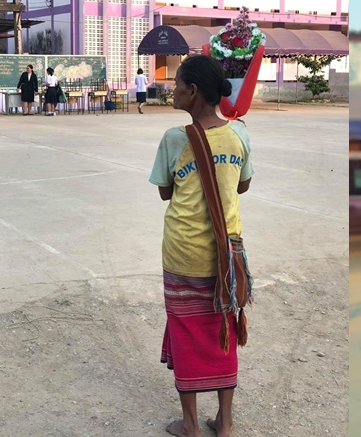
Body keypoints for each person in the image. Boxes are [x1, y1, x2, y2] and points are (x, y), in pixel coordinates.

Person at [149, 54, 254, 437]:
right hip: (228, 254)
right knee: (223, 328)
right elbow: (243, 184)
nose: (172, 91)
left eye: (176, 85)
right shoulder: (239, 133)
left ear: (192, 92)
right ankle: (224, 422)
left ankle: (191, 424)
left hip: (183, 252)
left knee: (186, 330)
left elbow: (165, 191)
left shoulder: (175, 138)